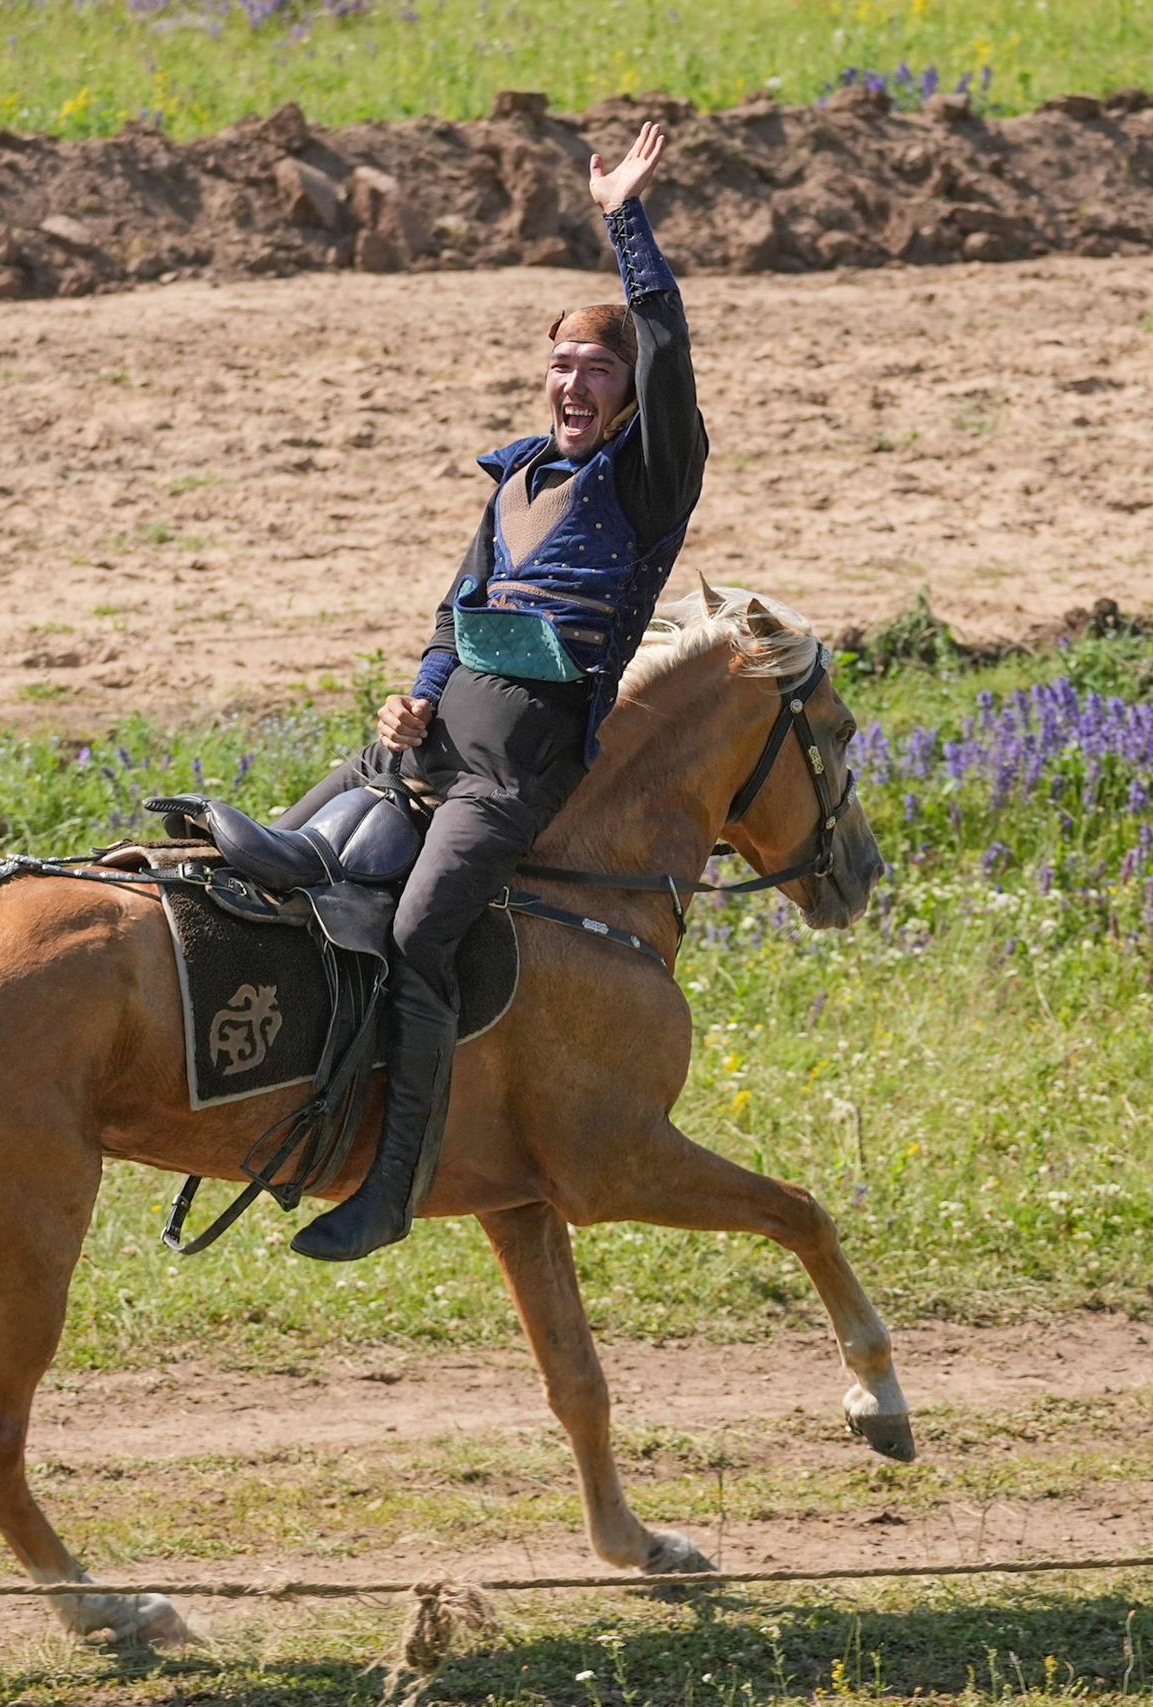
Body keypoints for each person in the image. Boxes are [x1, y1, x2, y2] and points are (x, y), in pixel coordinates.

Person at [275, 119, 708, 1262]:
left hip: (512, 776)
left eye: (597, 369)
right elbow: (454, 611)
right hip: (427, 748)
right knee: (286, 866)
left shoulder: (649, 482)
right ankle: (299, 1106)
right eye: (561, 364)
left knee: (420, 939)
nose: (575, 382)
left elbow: (664, 338)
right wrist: (411, 699)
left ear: (627, 393)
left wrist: (623, 215)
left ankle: (391, 1189)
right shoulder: (516, 476)